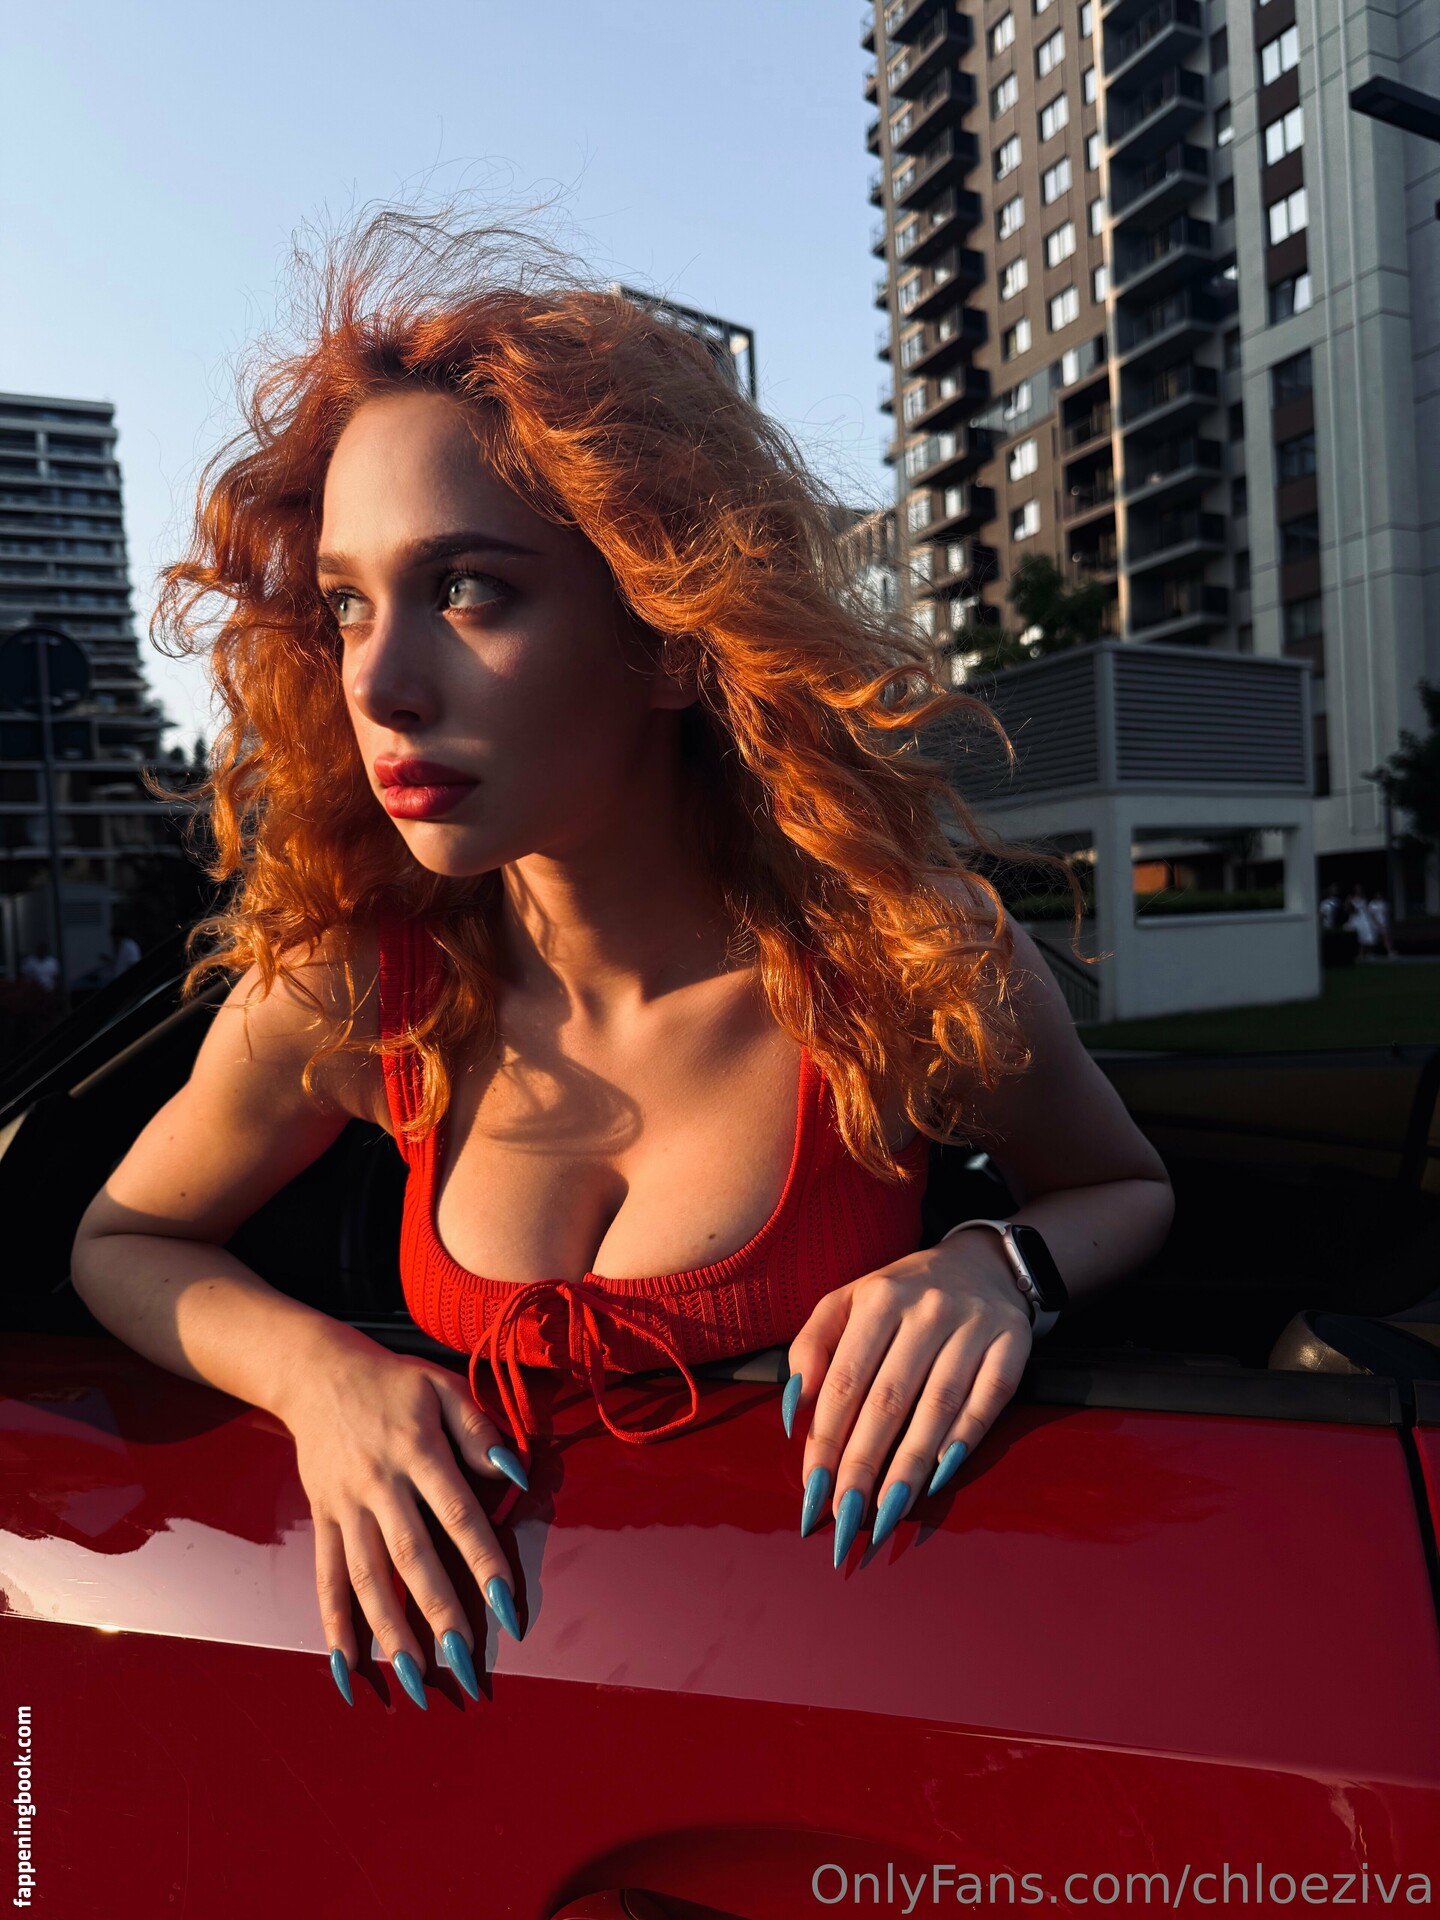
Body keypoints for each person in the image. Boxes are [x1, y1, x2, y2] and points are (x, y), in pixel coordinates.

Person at [69, 205, 1174, 1714]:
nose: (378, 682)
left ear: (666, 633)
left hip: (833, 1703)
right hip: (462, 1733)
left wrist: (997, 1268)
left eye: (469, 589)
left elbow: (1123, 1187)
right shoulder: (357, 990)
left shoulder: (900, 964)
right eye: (346, 603)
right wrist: (319, 1378)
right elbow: (122, 1241)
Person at [1346, 884, 1378, 957]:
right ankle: (1359, 953)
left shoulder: (1364, 899)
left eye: (1359, 889)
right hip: (1355, 918)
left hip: (1364, 918)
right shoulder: (1351, 898)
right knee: (1359, 936)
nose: (1358, 890)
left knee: (1367, 934)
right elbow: (1348, 909)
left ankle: (1368, 953)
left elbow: (1367, 909)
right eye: (1357, 889)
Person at [1368, 891, 1396, 958]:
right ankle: (1370, 953)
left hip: (1384, 923)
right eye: (1378, 895)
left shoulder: (1384, 903)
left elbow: (1387, 913)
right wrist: (1376, 923)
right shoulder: (1372, 904)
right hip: (1375, 924)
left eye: (1380, 895)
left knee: (1386, 938)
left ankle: (1390, 952)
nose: (1379, 896)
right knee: (1373, 939)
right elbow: (1371, 915)